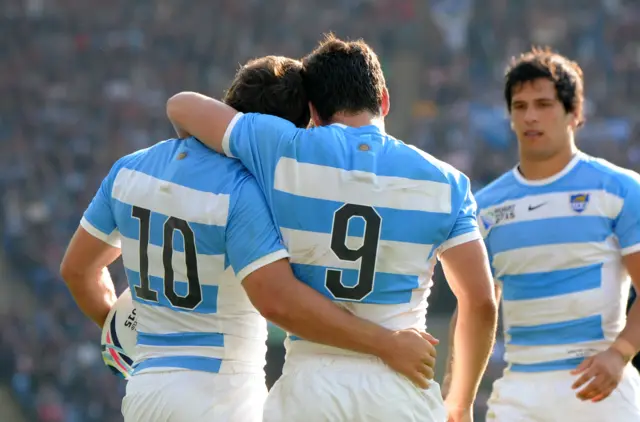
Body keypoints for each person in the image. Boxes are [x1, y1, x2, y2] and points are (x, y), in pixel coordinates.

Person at [59, 55, 439, 422]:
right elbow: (278, 301)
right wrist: (386, 344)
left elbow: (77, 271)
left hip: (144, 391)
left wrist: (118, 327)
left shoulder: (129, 169)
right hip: (222, 396)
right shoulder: (247, 190)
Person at [165, 35, 498, 422]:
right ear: (385, 99)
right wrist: (460, 400)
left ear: (313, 112)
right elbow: (480, 302)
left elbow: (182, 105)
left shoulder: (283, 148)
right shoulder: (448, 183)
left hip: (310, 388)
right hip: (404, 388)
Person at [448, 47, 640, 421]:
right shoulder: (482, 207)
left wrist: (620, 352)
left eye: (544, 104)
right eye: (519, 106)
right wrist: (458, 397)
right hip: (518, 394)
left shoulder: (621, 190)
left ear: (574, 113)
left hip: (603, 393)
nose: (530, 116)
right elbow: (474, 307)